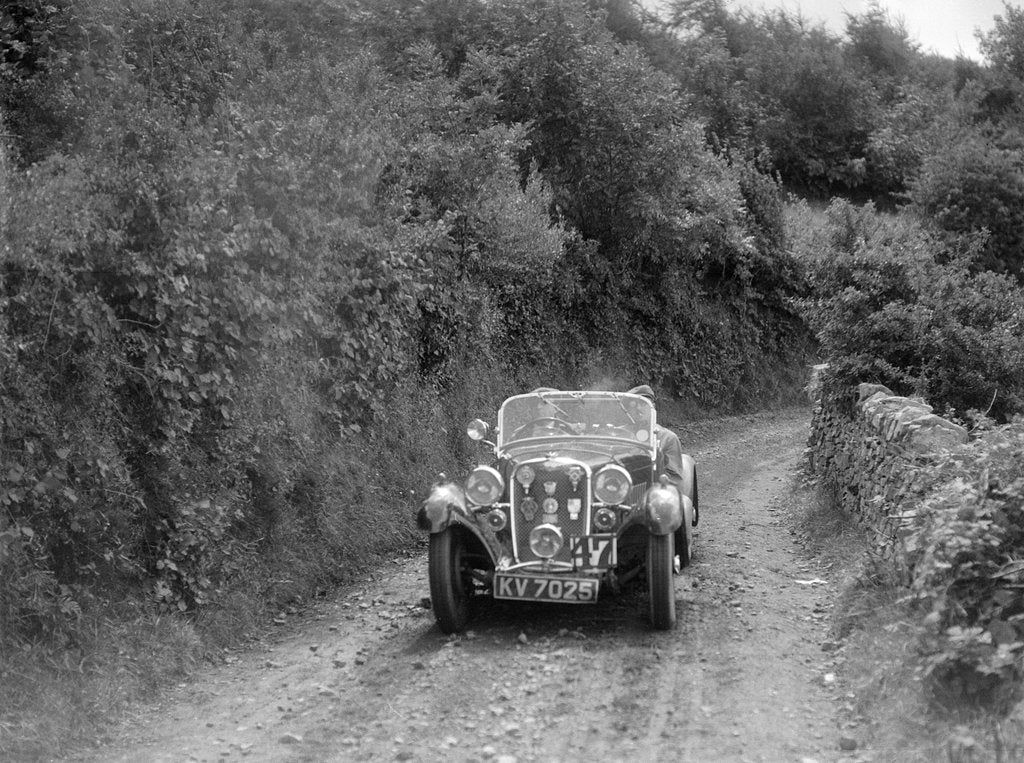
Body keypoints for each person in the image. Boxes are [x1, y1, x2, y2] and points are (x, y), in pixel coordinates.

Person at [627, 385, 684, 485]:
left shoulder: (668, 438)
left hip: (654, 489)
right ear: (627, 409)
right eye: (633, 404)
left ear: (652, 406)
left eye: (643, 403)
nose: (638, 408)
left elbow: (674, 478)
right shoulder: (617, 434)